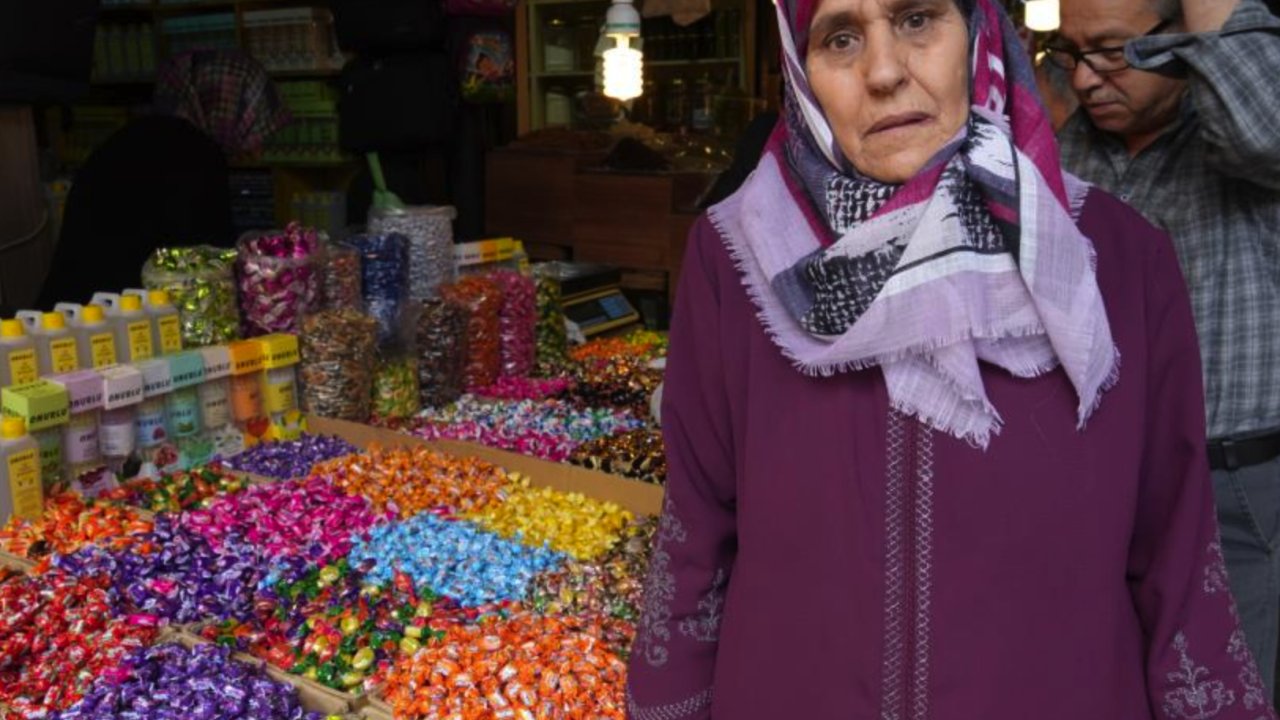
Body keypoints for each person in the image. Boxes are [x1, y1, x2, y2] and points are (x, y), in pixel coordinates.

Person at [624, 0, 1274, 717]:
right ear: (799, 67)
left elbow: (1178, 556)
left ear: (981, 34)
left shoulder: (1118, 262)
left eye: (917, 19)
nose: (883, 72)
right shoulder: (738, 262)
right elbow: (695, 533)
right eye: (840, 38)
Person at [1052, 0, 1280, 699]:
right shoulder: (1069, 152)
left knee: (1223, 692)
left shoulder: (1236, 137)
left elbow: (1262, 124)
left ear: (1179, 38)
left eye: (1113, 53)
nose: (1087, 80)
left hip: (1232, 483)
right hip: (1105, 486)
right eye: (1071, 53)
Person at [36, 50, 289, 308]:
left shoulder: (130, 137)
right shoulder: (195, 154)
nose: (256, 150)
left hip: (66, 313)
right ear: (229, 105)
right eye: (251, 125)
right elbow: (211, 267)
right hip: (117, 324)